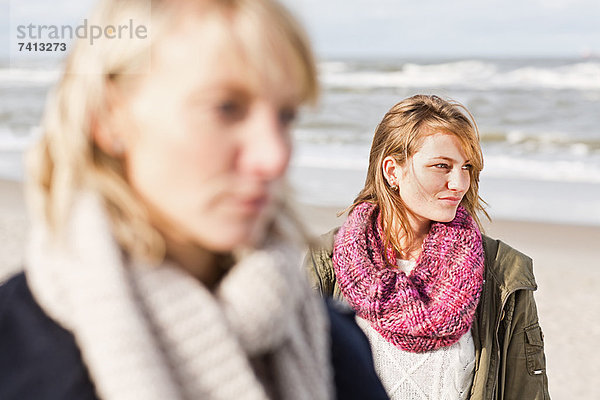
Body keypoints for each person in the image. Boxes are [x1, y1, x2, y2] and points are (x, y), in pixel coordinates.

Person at [0, 0, 388, 399]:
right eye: (226, 108)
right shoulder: (17, 356)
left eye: (286, 116)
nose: (275, 155)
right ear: (108, 116)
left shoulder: (331, 345)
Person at [305, 95, 551, 400]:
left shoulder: (503, 272)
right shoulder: (327, 260)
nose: (459, 183)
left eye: (466, 167)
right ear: (392, 171)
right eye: (441, 166)